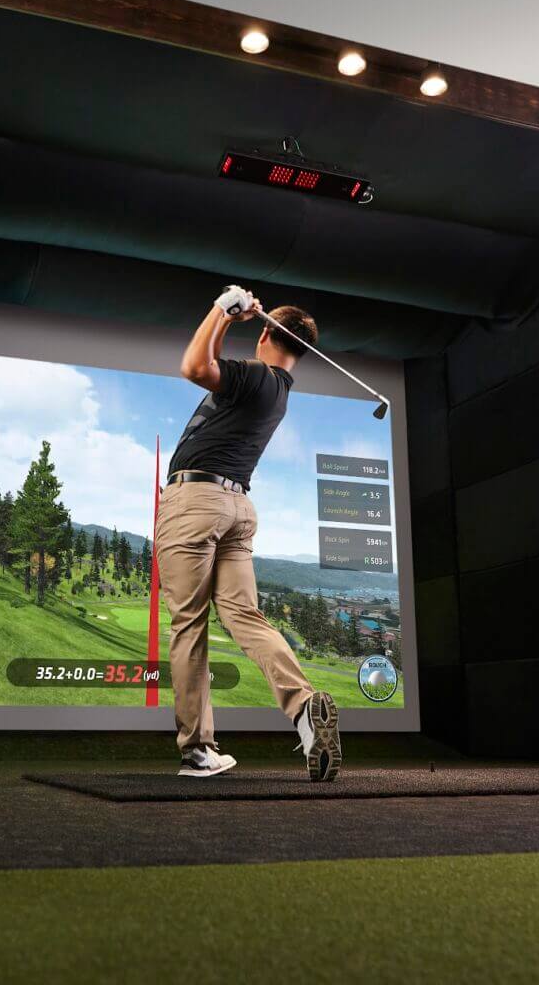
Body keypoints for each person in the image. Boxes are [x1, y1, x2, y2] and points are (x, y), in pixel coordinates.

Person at [155, 287, 342, 781]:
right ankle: (304, 707)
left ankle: (198, 750)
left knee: (188, 624)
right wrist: (228, 316)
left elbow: (196, 367)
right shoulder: (278, 388)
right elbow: (210, 364)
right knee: (243, 614)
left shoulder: (257, 377)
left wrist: (219, 308)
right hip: (236, 509)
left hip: (196, 503)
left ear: (264, 334)